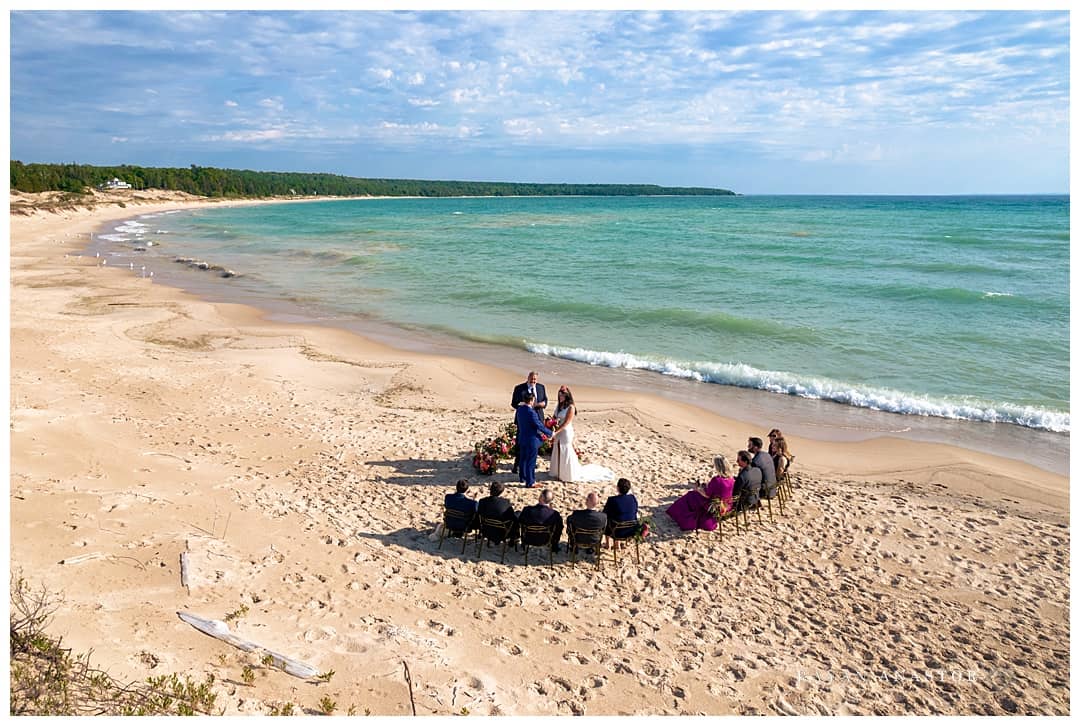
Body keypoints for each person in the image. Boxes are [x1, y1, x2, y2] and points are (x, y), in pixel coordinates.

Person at [549, 386, 614, 483]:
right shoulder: (559, 406)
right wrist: (551, 423)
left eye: (562, 395)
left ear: (567, 396)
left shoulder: (571, 407)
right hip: (558, 430)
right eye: (559, 395)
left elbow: (566, 422)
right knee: (557, 449)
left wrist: (556, 431)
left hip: (565, 431)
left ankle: (566, 473)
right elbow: (554, 417)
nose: (561, 397)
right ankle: (557, 472)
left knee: (565, 449)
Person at [665, 455, 736, 531]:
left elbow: (707, 495)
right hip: (726, 504)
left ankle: (680, 517)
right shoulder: (731, 479)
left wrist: (698, 489)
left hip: (713, 505)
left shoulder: (717, 480)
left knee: (690, 496)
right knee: (695, 494)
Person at [511, 371, 547, 474]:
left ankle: (531, 462)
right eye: (531, 379)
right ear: (528, 378)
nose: (533, 381)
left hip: (537, 418)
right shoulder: (519, 388)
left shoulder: (541, 387)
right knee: (520, 443)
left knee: (534, 443)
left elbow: (545, 400)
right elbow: (513, 404)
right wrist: (524, 406)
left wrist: (542, 404)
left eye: (535, 379)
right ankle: (517, 465)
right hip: (523, 420)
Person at [515, 391, 553, 488]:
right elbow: (539, 425)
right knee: (531, 461)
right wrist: (550, 433)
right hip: (531, 439)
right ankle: (530, 482)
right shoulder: (531, 412)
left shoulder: (519, 410)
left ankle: (523, 477)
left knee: (523, 459)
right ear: (532, 400)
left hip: (522, 437)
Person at [518, 488, 564, 553]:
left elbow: (520, 522)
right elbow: (560, 527)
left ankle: (522, 544)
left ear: (541, 497)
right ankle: (554, 545)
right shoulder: (554, 514)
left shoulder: (527, 510)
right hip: (547, 540)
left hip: (528, 539)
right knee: (558, 526)